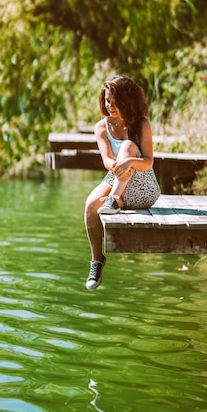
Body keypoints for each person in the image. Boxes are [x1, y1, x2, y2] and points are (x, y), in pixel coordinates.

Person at [84, 75, 160, 290]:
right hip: (116, 176)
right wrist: (117, 166)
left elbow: (148, 162)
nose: (110, 106)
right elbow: (107, 159)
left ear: (128, 101)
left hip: (144, 186)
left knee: (127, 147)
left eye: (115, 102)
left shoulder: (141, 124)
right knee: (90, 205)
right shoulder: (102, 127)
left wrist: (127, 162)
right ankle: (96, 261)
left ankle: (114, 200)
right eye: (107, 101)